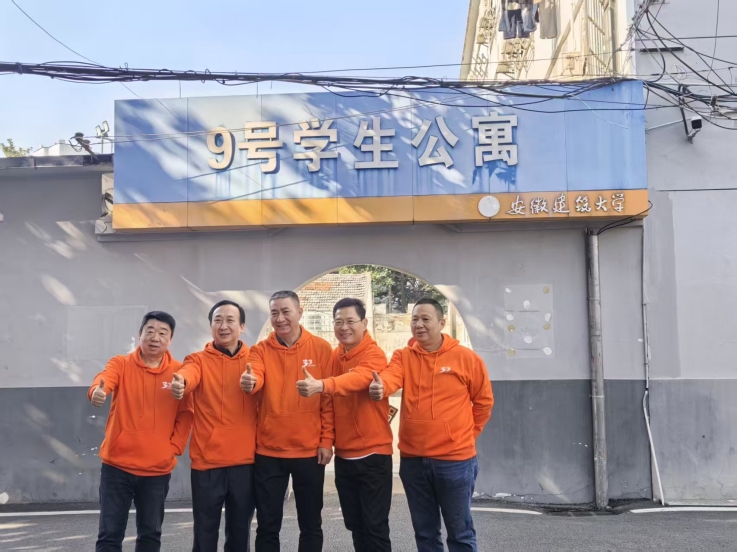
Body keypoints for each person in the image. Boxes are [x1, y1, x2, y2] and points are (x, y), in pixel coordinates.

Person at [369, 298, 494, 552]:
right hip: (413, 461)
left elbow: (483, 403)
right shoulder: (403, 356)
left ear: (441, 322)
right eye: (415, 319)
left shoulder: (466, 359)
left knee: (460, 533)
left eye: (425, 319)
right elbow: (392, 376)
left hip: (455, 461)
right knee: (425, 533)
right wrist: (382, 386)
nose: (419, 324)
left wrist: (466, 436)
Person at [88, 311, 194, 552]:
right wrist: (97, 392)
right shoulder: (121, 364)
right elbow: (105, 379)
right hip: (117, 467)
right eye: (150, 331)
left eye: (163, 333)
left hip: (156, 470)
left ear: (170, 339)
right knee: (109, 535)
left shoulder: (179, 373)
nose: (155, 337)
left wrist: (172, 449)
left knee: (150, 536)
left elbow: (186, 414)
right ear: (140, 334)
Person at [297, 297, 393, 552]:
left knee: (375, 527)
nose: (344, 327)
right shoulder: (334, 356)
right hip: (344, 456)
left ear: (364, 323)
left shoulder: (374, 355)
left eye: (350, 321)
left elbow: (358, 379)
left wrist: (322, 384)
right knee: (355, 524)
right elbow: (328, 404)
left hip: (373, 456)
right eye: (338, 322)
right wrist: (327, 441)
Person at [243, 290, 334, 552]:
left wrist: (326, 441)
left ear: (300, 312)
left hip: (309, 451)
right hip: (269, 451)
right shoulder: (260, 350)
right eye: (274, 313)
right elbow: (255, 375)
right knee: (267, 524)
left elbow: (328, 400)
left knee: (311, 523)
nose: (280, 318)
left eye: (286, 312)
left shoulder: (321, 348)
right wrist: (250, 382)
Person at [171, 300, 257, 552]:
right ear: (210, 326)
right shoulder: (197, 360)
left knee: (240, 533)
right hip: (207, 463)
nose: (223, 325)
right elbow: (189, 374)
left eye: (230, 320)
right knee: (205, 533)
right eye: (218, 320)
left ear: (242, 326)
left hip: (245, 463)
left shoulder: (256, 360)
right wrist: (181, 383)